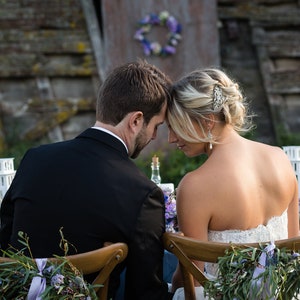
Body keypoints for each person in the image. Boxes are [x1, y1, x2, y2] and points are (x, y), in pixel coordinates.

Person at [0, 60, 174, 299]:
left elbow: (5, 243)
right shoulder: (142, 194)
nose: (155, 136)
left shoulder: (34, 159)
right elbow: (145, 293)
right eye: (157, 126)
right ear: (135, 121)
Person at [166, 68, 299, 299]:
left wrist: (167, 288)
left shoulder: (194, 186)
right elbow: (294, 246)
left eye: (175, 125)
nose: (171, 138)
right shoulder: (280, 157)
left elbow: (192, 276)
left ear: (207, 120)